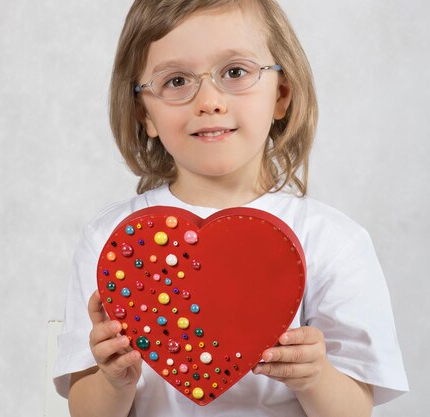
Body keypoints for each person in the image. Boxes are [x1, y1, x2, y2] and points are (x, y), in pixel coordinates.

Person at [53, 1, 408, 416]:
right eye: (176, 80)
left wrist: (316, 377)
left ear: (282, 94)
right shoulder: (111, 240)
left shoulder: (333, 241)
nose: (209, 101)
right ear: (143, 112)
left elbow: (354, 411)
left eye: (235, 72)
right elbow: (85, 409)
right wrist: (114, 382)